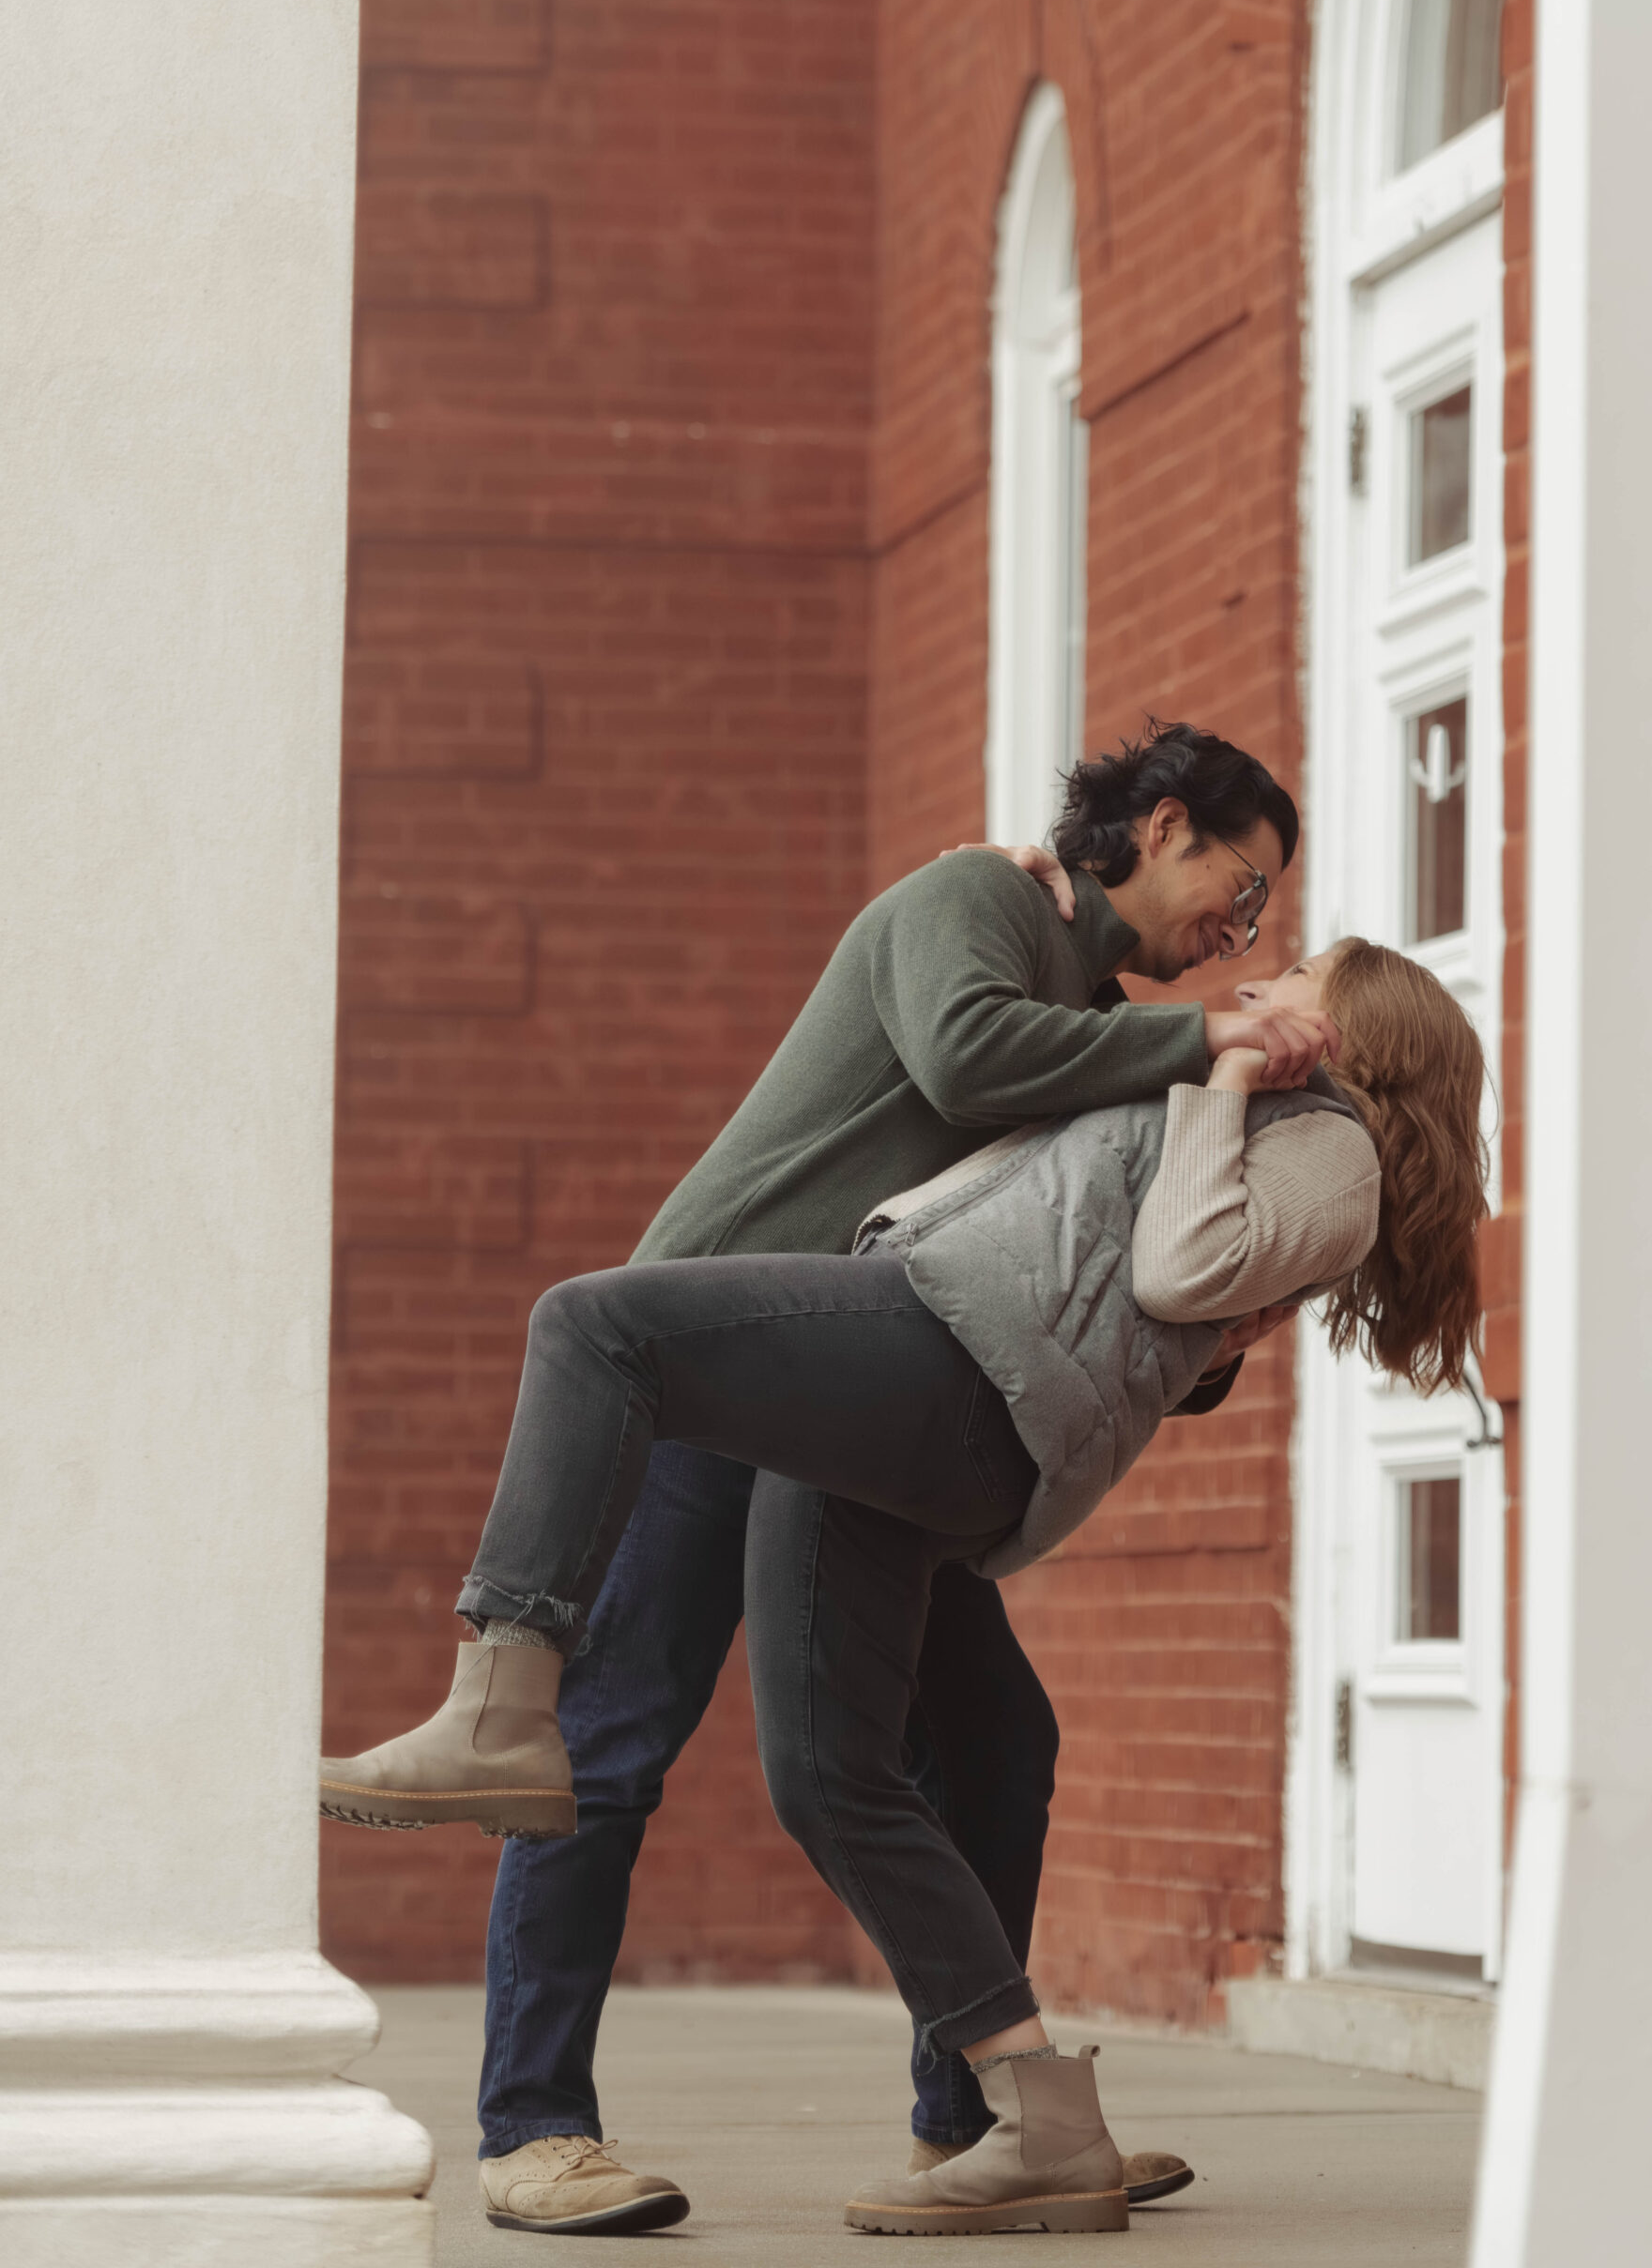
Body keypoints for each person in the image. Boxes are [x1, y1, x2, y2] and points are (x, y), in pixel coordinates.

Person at [323, 924, 1490, 2237]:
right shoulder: (995, 928)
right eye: (1239, 920)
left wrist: (1211, 1159)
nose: (1242, 967)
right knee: (785, 1759)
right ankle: (954, 2110)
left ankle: (503, 1705)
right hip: (829, 1358)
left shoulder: (1291, 1119)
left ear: (1355, 1040)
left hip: (911, 1363)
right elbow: (1069, 1189)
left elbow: (1161, 1269)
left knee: (597, 1339)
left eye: (1282, 967)